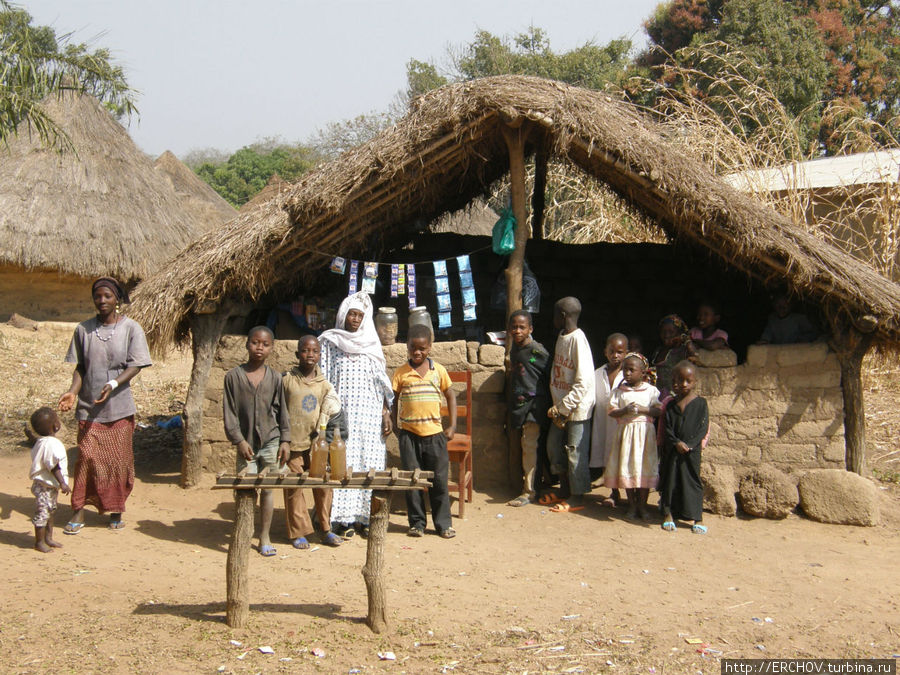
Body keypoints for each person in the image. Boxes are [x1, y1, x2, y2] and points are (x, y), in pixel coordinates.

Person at [58, 277, 152, 533]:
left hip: (120, 407)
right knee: (86, 458)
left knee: (117, 461)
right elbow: (81, 367)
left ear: (117, 299)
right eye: (97, 296)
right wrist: (72, 392)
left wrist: (113, 384)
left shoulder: (131, 328)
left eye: (107, 296)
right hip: (90, 408)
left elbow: (136, 365)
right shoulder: (83, 329)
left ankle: (115, 510)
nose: (102, 301)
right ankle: (78, 510)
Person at [319, 292, 394, 539]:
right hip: (342, 417)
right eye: (352, 314)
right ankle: (342, 520)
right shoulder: (329, 343)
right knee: (342, 464)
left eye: (360, 316)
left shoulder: (372, 344)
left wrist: (385, 412)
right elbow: (324, 381)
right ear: (343, 315)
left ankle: (365, 518)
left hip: (370, 417)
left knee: (369, 465)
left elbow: (383, 384)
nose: (355, 319)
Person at [223, 326, 291, 557]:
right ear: (247, 344)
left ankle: (264, 536)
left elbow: (282, 411)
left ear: (271, 348)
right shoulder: (233, 377)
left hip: (272, 440)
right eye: (255, 343)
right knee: (245, 490)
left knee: (269, 490)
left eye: (265, 344)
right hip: (247, 444)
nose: (259, 347)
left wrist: (285, 440)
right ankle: (244, 534)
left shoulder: (274, 378)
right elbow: (230, 414)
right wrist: (239, 440)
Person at [391, 324, 457, 538]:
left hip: (435, 435)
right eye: (413, 348)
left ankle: (443, 524)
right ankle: (417, 523)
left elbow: (451, 396)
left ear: (430, 347)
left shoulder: (438, 371)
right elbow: (393, 401)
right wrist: (394, 425)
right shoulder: (401, 373)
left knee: (438, 480)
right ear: (407, 347)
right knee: (412, 480)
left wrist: (453, 425)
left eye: (422, 348)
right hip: (409, 435)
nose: (417, 352)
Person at [281, 336, 346, 549]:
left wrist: (326, 442)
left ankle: (325, 528)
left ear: (320, 355)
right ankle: (299, 532)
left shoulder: (324, 385)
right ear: (297, 353)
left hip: (316, 446)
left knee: (324, 486)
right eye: (306, 350)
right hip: (293, 445)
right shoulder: (287, 380)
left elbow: (333, 412)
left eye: (315, 351)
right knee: (294, 488)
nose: (310, 355)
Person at [543, 297, 595, 513]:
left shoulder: (578, 340)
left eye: (555, 314)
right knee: (554, 448)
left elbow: (583, 382)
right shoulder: (561, 337)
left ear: (563, 316)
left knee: (575, 451)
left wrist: (563, 408)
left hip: (576, 408)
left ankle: (577, 495)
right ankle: (564, 488)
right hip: (560, 408)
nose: (553, 319)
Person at [606, 353, 662, 521]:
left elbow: (658, 410)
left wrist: (643, 409)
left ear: (643, 372)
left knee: (643, 469)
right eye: (625, 370)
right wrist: (624, 411)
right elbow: (611, 411)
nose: (627, 373)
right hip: (626, 436)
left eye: (631, 370)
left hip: (645, 437)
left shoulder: (651, 391)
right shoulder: (618, 392)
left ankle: (643, 506)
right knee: (628, 469)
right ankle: (631, 505)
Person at [506, 310, 551, 507]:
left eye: (522, 327)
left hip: (535, 405)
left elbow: (550, 375)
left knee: (530, 444)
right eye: (514, 327)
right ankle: (536, 483)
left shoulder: (537, 351)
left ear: (530, 329)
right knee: (528, 445)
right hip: (519, 404)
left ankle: (529, 491)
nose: (517, 331)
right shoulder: (514, 349)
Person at [659, 361, 709, 534]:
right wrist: (676, 443)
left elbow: (703, 427)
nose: (683, 384)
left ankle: (697, 517)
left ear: (695, 382)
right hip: (674, 450)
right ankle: (668, 514)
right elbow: (667, 428)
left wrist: (690, 445)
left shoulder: (701, 404)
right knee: (670, 480)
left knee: (693, 481)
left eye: (688, 380)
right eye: (679, 380)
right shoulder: (671, 405)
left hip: (692, 452)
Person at [590, 333, 628, 507]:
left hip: (622, 426)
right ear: (605, 352)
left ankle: (631, 496)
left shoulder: (629, 376)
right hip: (602, 423)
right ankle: (613, 492)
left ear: (627, 353)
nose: (615, 355)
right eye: (611, 351)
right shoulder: (597, 374)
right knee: (606, 456)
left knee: (624, 458)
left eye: (620, 352)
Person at [29, 407, 70, 552]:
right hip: (45, 486)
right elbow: (53, 466)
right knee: (43, 513)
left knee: (50, 511)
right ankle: (39, 542)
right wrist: (63, 483)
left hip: (46, 486)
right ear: (56, 426)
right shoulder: (52, 444)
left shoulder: (41, 442)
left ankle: (48, 538)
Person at [651, 314, 694, 398]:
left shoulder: (682, 351)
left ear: (679, 333)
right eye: (663, 331)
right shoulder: (658, 351)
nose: (666, 335)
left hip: (674, 395)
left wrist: (685, 339)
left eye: (671, 332)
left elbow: (695, 354)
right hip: (657, 395)